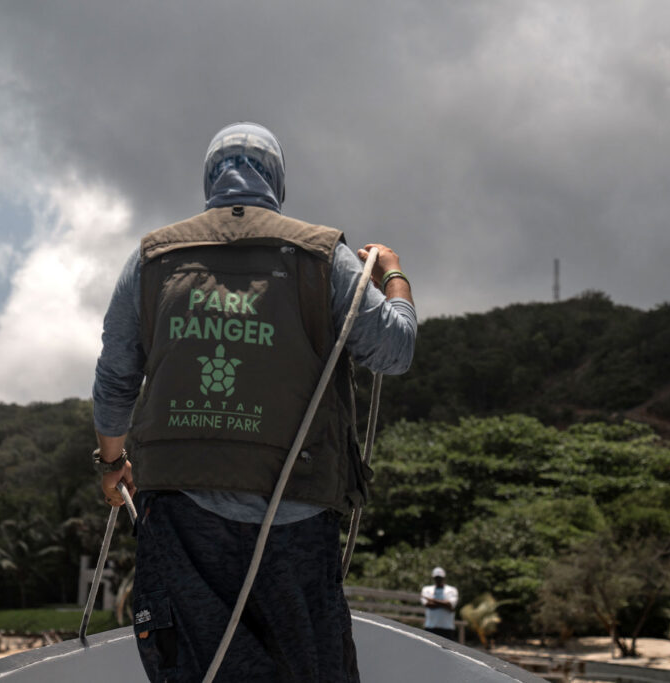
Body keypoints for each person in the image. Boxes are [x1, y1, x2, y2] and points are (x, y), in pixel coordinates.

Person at [92, 122, 417, 682]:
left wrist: (112, 462)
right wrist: (392, 273)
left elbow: (115, 377)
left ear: (209, 179)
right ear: (278, 181)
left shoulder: (152, 259)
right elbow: (395, 350)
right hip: (297, 512)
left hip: (181, 511)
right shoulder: (325, 257)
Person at [420, 566, 459, 641]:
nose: (438, 580)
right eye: (436, 578)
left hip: (447, 628)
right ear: (433, 578)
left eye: (440, 578)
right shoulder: (427, 589)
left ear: (444, 578)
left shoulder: (452, 590)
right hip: (431, 627)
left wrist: (432, 600)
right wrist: (445, 605)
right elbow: (428, 605)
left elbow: (450, 604)